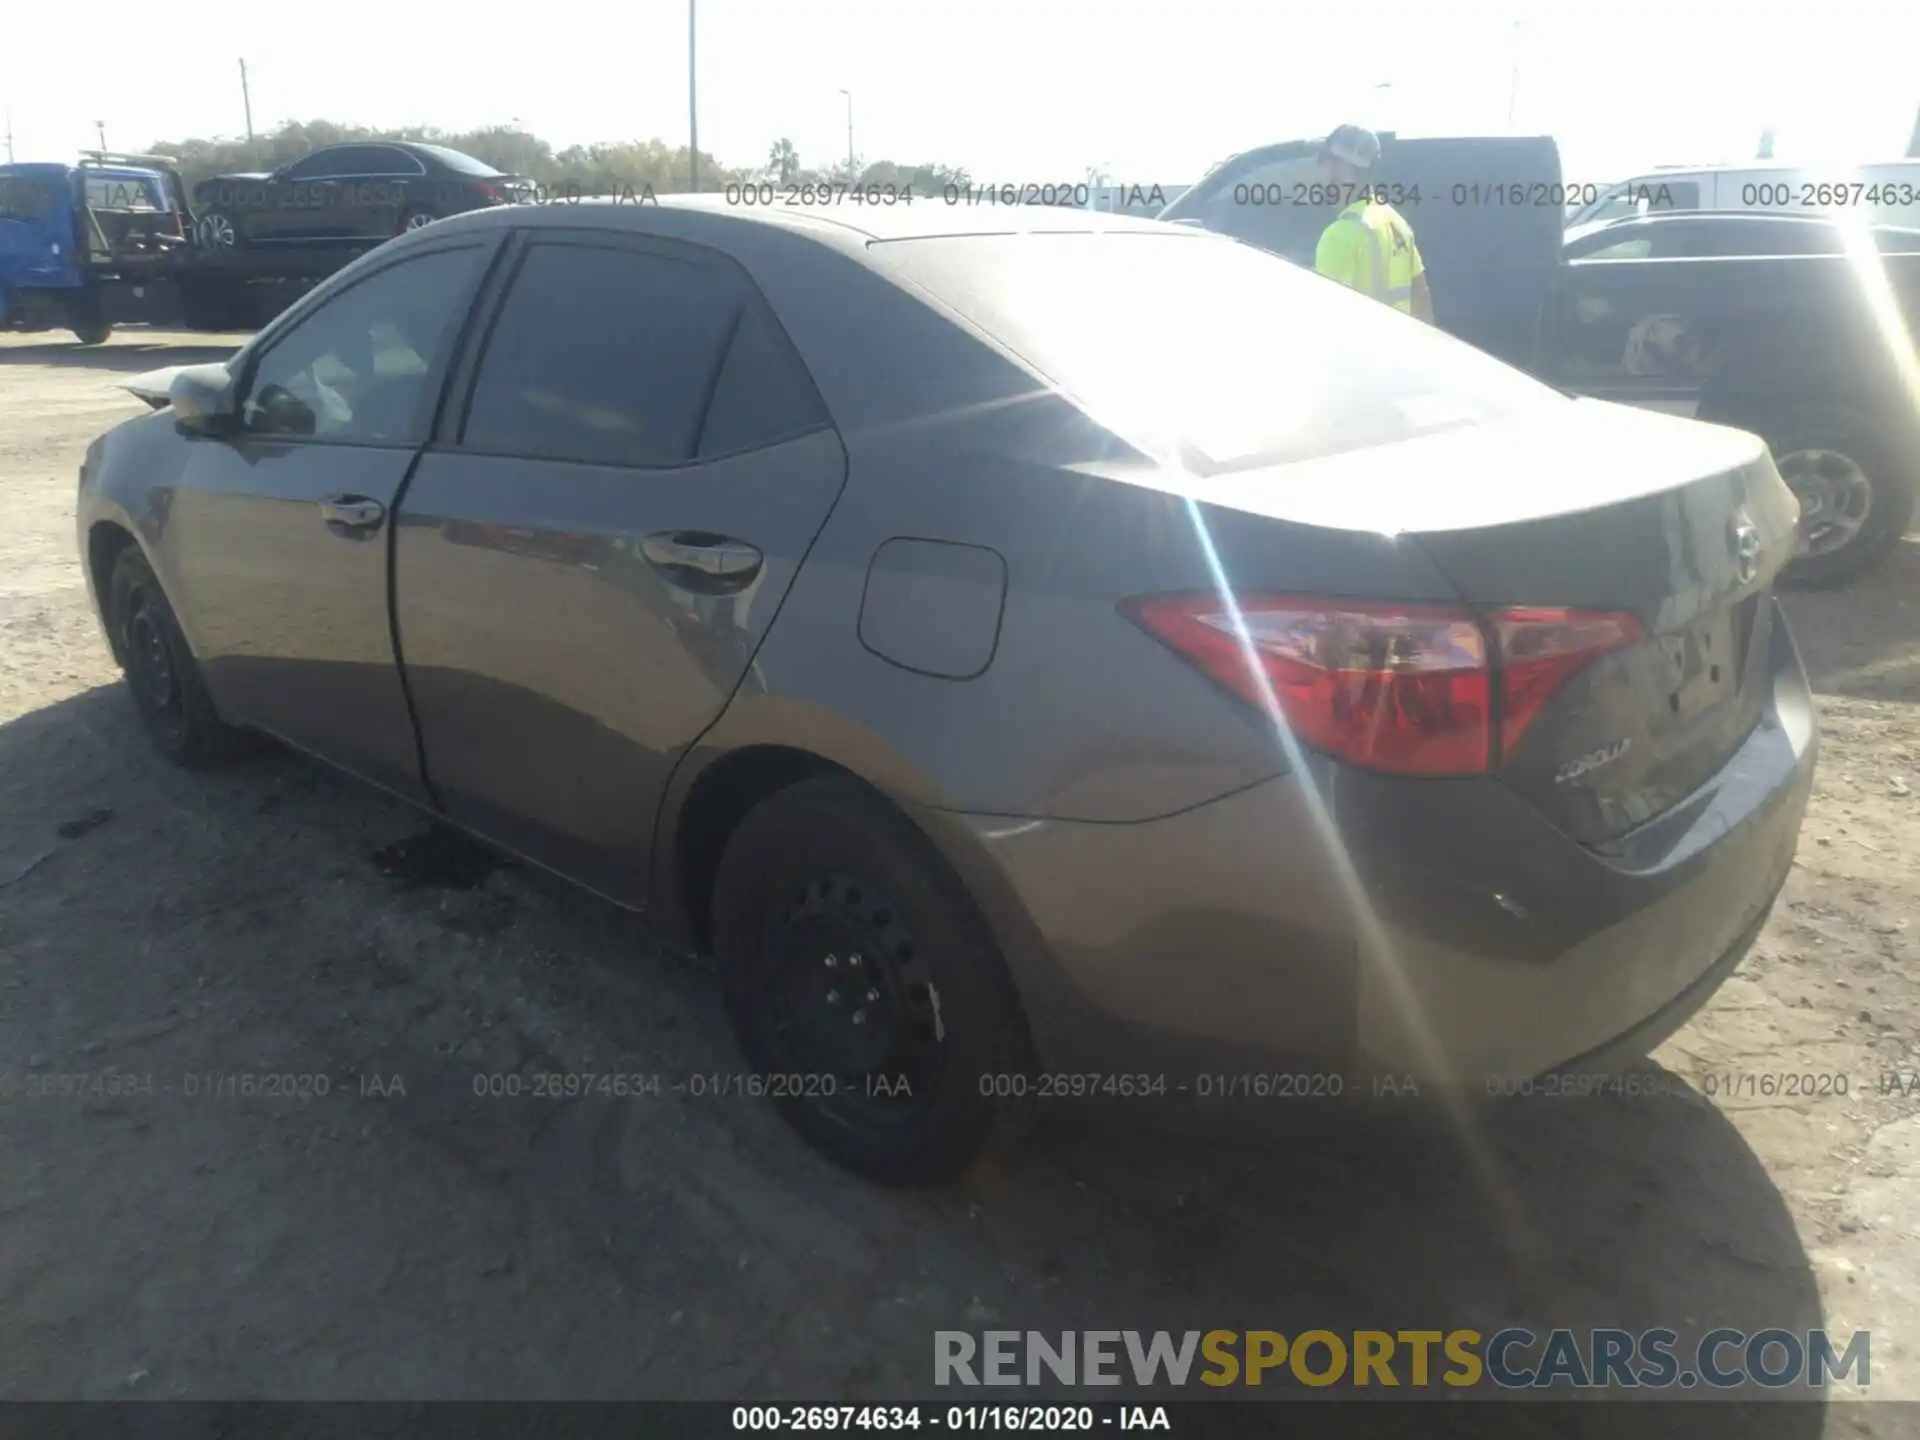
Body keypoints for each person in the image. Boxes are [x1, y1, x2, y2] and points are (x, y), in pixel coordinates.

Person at [1311, 125, 1434, 323]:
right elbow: (1422, 302)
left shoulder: (1339, 236)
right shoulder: (1397, 222)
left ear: (1337, 166)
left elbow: (1328, 322)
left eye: (1322, 160)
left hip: (1360, 353)